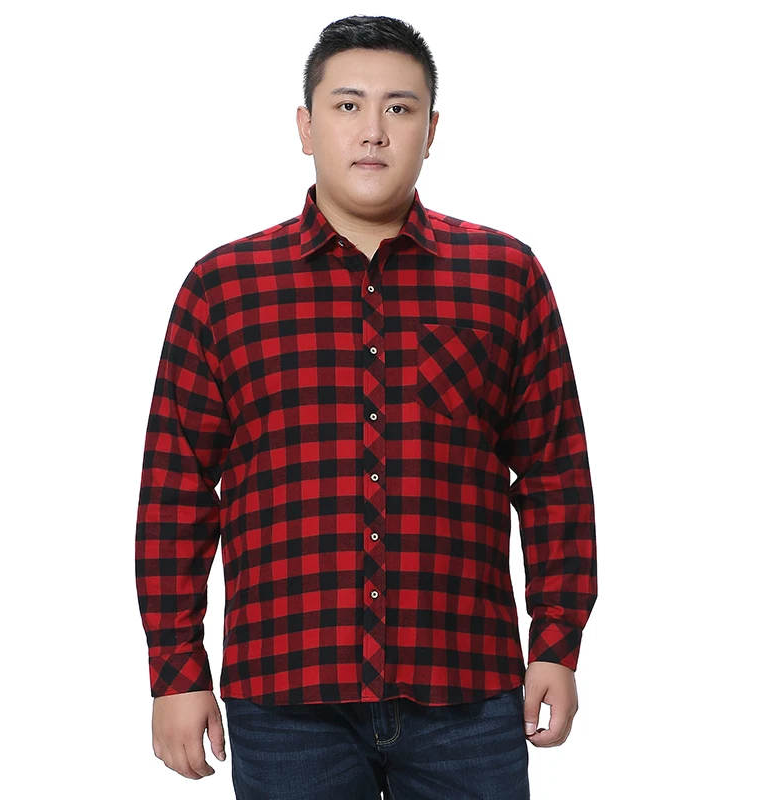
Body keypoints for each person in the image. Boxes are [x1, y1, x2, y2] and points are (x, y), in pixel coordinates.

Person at [134, 14, 597, 800]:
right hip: (286, 696)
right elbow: (175, 493)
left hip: (467, 691)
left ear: (431, 130)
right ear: (306, 127)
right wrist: (176, 671)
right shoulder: (222, 289)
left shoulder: (504, 275)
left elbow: (555, 474)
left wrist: (555, 641)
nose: (373, 131)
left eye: (400, 108)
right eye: (348, 105)